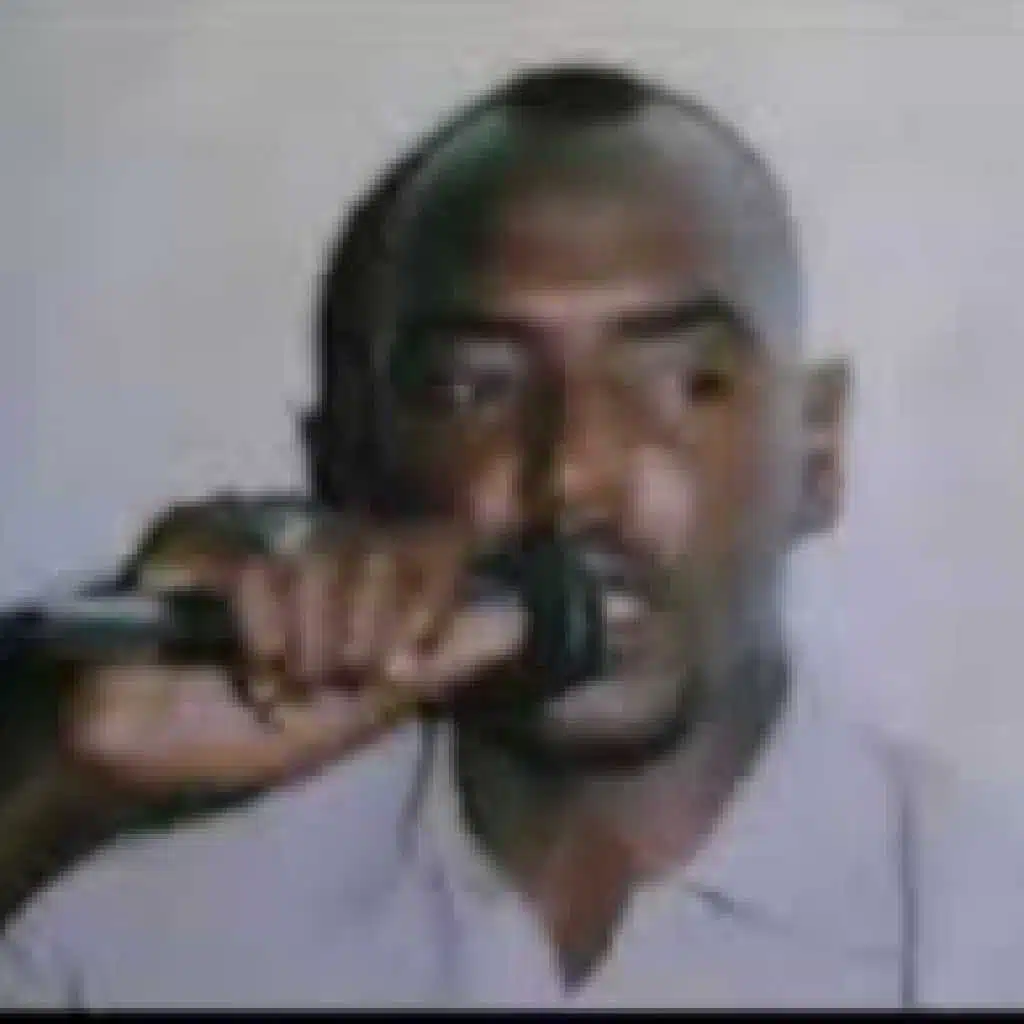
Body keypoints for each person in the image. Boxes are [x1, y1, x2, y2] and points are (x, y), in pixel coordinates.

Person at [1, 61, 1023, 1009]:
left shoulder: (985, 934)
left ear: (817, 449)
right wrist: (64, 782)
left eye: (687, 383)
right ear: (353, 464)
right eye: (472, 389)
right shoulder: (127, 936)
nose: (572, 473)